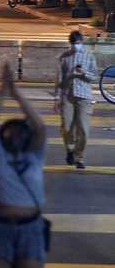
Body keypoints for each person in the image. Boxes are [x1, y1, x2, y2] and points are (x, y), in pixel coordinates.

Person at [0, 63, 47, 268]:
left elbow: (40, 128)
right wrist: (2, 92)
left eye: (20, 131)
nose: (16, 135)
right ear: (3, 137)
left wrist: (17, 94)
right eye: (11, 131)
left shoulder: (34, 156)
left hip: (31, 228)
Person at [54, 30, 97, 170]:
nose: (75, 46)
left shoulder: (89, 55)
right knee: (67, 127)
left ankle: (79, 157)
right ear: (70, 43)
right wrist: (56, 99)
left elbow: (95, 76)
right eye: (73, 44)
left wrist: (84, 72)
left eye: (78, 43)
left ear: (82, 42)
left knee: (83, 129)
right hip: (68, 95)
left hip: (84, 96)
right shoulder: (64, 57)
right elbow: (59, 80)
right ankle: (70, 149)